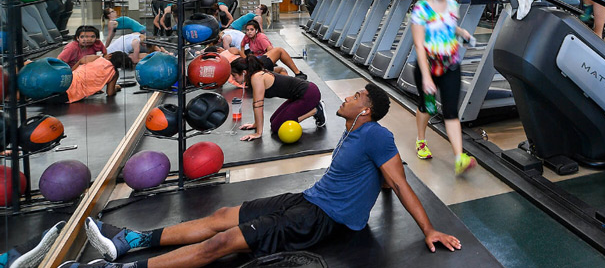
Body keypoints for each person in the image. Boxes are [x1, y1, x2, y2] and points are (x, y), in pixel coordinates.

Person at [73, 85, 460, 268]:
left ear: (367, 108)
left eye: (357, 95)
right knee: (221, 216)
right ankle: (133, 240)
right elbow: (377, 177)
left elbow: (399, 181)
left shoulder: (376, 133)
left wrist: (427, 230)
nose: (347, 97)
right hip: (307, 199)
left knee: (223, 242)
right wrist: (377, 189)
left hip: (321, 220)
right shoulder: (354, 130)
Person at [410, 0, 476, 176]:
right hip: (428, 65)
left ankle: (459, 158)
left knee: (451, 111)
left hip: (451, 64)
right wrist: (427, 77)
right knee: (427, 108)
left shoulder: (453, 5)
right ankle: (421, 140)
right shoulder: (421, 9)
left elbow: (447, 25)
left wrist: (461, 32)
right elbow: (419, 45)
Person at [230, 55, 324, 141]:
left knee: (277, 126)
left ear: (244, 72)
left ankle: (316, 110)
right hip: (298, 95)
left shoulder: (256, 77)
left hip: (309, 94)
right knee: (273, 121)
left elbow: (258, 105)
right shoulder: (256, 75)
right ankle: (315, 108)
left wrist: (258, 133)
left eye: (234, 75)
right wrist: (255, 125)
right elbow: (257, 105)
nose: (233, 79)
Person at [44, 52, 133, 102]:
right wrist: (116, 88)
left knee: (44, 90)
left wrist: (70, 73)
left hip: (63, 81)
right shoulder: (114, 74)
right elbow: (110, 93)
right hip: (71, 95)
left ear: (110, 55)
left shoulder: (97, 58)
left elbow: (81, 61)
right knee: (47, 100)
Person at [240, 19, 306, 79]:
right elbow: (242, 45)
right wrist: (245, 59)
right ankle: (298, 73)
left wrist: (270, 61)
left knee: (282, 70)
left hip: (261, 61)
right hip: (258, 63)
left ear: (256, 30)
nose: (249, 32)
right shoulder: (247, 37)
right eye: (247, 30)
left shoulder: (261, 38)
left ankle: (292, 82)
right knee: (280, 50)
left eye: (252, 30)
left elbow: (270, 50)